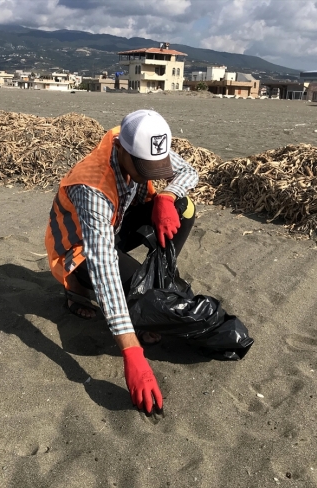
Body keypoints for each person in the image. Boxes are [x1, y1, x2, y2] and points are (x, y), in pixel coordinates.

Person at [45, 110, 198, 414]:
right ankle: (75, 289)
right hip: (81, 248)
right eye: (144, 169)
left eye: (158, 166)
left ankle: (153, 285)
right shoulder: (91, 185)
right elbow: (104, 268)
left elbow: (189, 172)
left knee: (184, 207)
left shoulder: (143, 138)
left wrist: (166, 197)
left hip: (118, 223)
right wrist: (132, 353)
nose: (152, 174)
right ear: (121, 151)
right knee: (108, 277)